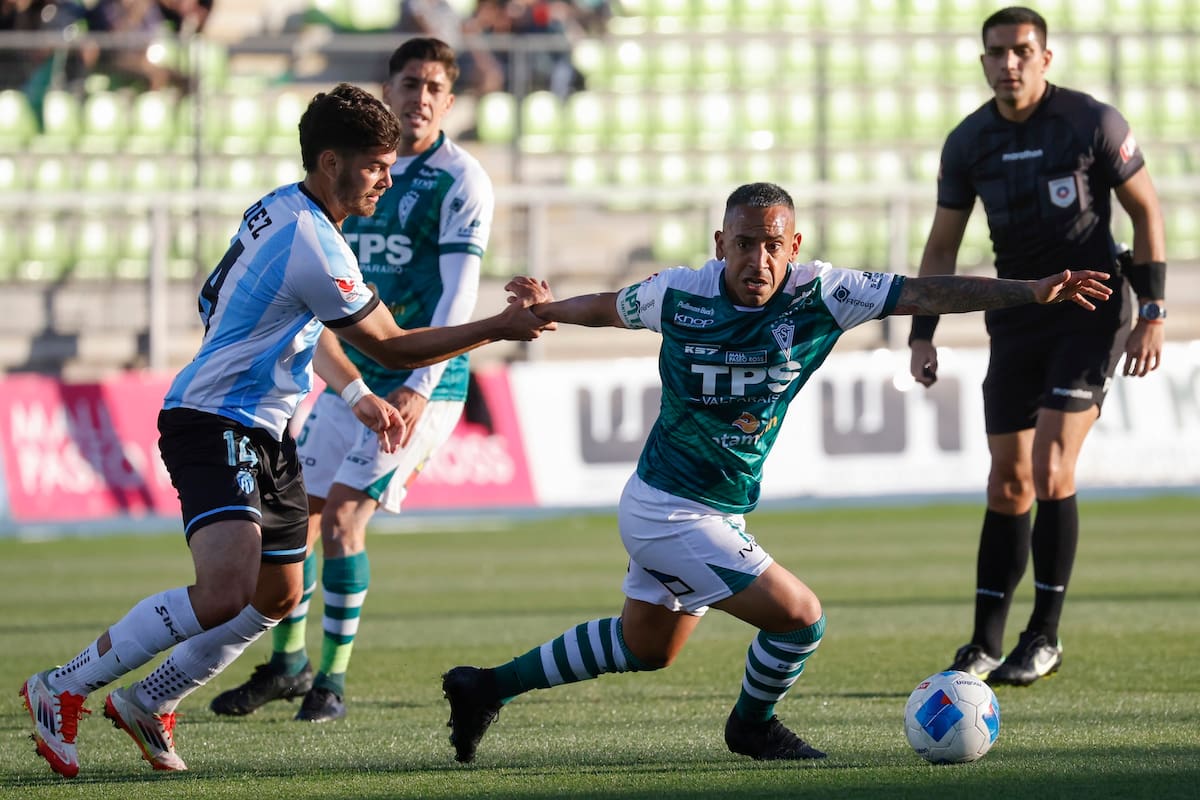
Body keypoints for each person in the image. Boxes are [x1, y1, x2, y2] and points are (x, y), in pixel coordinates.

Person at [439, 181, 1113, 764]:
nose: (756, 259)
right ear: (719, 244)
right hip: (666, 509)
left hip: (712, 509)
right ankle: (751, 727)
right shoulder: (680, 293)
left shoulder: (826, 293)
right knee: (800, 619)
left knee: (645, 647)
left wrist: (1030, 291)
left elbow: (926, 290)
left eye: (771, 245)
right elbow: (608, 306)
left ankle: (483, 687)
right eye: (743, 243)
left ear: (793, 248)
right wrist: (547, 311)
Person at [19, 81, 551, 779]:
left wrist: (354, 392)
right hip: (214, 421)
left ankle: (149, 700)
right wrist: (499, 328)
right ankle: (62, 686)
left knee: (277, 596)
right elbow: (391, 344)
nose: (387, 181)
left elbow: (253, 309)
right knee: (223, 591)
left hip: (264, 430)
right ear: (330, 162)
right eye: (374, 166)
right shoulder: (317, 243)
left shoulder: (279, 210)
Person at [209, 37, 496, 724]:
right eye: (409, 82)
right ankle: (287, 663)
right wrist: (347, 383)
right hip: (354, 373)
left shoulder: (460, 180)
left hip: (421, 382)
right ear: (388, 87)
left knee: (342, 519)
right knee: (294, 523)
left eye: (433, 87)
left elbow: (459, 296)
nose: (419, 96)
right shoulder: (358, 172)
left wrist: (418, 383)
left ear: (449, 101)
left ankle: (331, 683)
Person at [907, 6, 1167, 688]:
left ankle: (1043, 636)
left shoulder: (1090, 123)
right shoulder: (968, 142)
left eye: (1022, 50)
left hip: (1091, 306)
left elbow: (1146, 210)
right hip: (1016, 312)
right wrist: (923, 333)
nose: (1009, 62)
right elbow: (942, 245)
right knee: (1008, 481)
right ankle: (984, 642)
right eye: (996, 52)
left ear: (1044, 58)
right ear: (984, 60)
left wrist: (1154, 313)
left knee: (1052, 468)